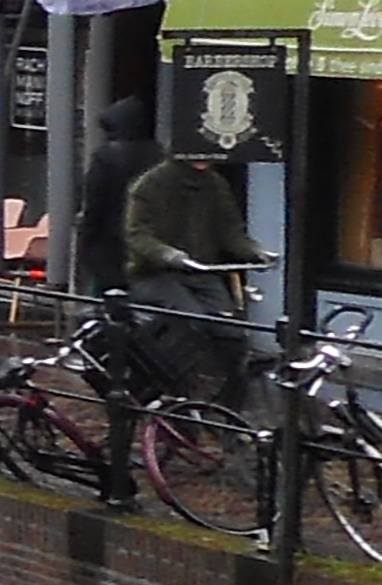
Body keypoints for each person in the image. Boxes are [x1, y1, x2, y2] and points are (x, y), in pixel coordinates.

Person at [114, 118, 262, 406]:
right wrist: (169, 255)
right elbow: (138, 235)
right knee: (192, 320)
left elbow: (230, 231)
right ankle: (178, 390)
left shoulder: (215, 185)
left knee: (230, 329)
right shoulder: (150, 185)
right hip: (155, 274)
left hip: (201, 272)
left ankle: (230, 398)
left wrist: (254, 251)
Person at [70, 90, 158, 296]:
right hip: (148, 240)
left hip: (110, 239)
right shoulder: (159, 154)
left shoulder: (106, 157)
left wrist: (87, 238)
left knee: (107, 293)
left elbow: (95, 202)